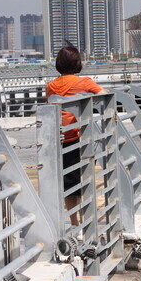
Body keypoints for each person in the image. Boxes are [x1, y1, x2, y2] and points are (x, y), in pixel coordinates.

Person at [45, 42, 103, 225]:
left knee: (69, 182)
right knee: (85, 178)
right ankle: (87, 220)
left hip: (61, 138)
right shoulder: (84, 82)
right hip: (80, 136)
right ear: (78, 63)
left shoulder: (51, 86)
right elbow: (105, 96)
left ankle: (74, 221)